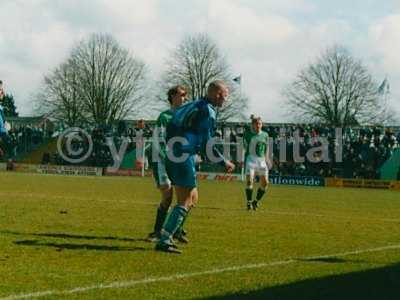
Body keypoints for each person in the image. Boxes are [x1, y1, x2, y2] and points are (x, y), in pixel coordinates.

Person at [155, 80, 235, 254]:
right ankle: (165, 237)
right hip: (182, 156)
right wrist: (224, 161)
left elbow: (172, 125)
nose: (225, 100)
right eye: (225, 96)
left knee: (193, 198)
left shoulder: (192, 105)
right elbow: (207, 144)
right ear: (217, 94)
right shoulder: (208, 111)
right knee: (185, 201)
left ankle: (173, 230)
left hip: (176, 153)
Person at [147, 85, 188, 243]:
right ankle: (157, 231)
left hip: (178, 161)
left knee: (183, 196)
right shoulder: (164, 117)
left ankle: (175, 230)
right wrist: (167, 157)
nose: (184, 98)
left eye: (185, 95)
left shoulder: (184, 117)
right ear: (173, 96)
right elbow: (159, 140)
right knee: (167, 194)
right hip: (162, 161)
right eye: (182, 95)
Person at [243, 117, 270, 210]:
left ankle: (256, 201)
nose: (258, 125)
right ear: (253, 125)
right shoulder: (247, 134)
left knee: (265, 183)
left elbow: (266, 147)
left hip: (261, 161)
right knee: (250, 181)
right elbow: (244, 147)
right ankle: (249, 202)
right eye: (256, 124)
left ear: (261, 125)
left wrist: (267, 158)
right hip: (251, 159)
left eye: (260, 123)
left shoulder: (265, 135)